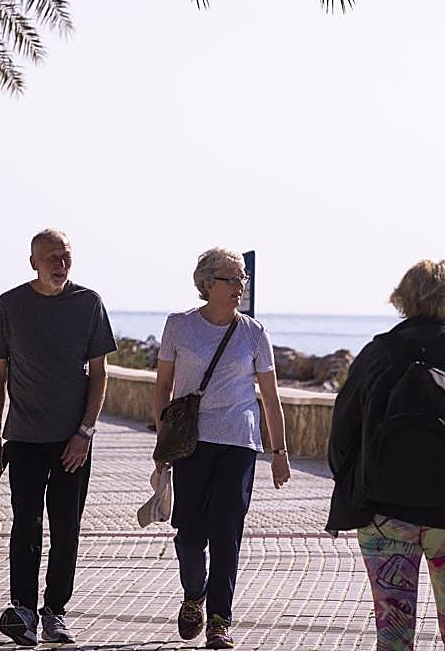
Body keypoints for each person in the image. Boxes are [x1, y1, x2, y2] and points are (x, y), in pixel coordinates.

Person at [326, 259, 445, 651]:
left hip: (384, 515)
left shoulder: (378, 351)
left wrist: (354, 487)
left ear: (402, 298)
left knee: (394, 634)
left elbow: (341, 433)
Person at [153, 247, 291, 650]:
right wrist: (163, 442)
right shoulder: (179, 326)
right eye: (232, 279)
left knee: (227, 532)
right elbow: (162, 386)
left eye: (243, 279)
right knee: (189, 535)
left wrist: (278, 452)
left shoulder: (254, 332)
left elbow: (270, 396)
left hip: (239, 443)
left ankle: (219, 620)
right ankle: (194, 593)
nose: (240, 287)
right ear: (207, 284)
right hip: (191, 443)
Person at [0, 230, 117, 646]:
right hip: (23, 437)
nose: (60, 264)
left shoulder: (88, 303)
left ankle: (54, 612)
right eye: (52, 257)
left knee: (66, 528)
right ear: (33, 262)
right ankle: (22, 607)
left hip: (72, 441)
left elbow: (100, 375)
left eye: (66, 256)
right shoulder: (10, 304)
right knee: (26, 524)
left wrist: (85, 432)